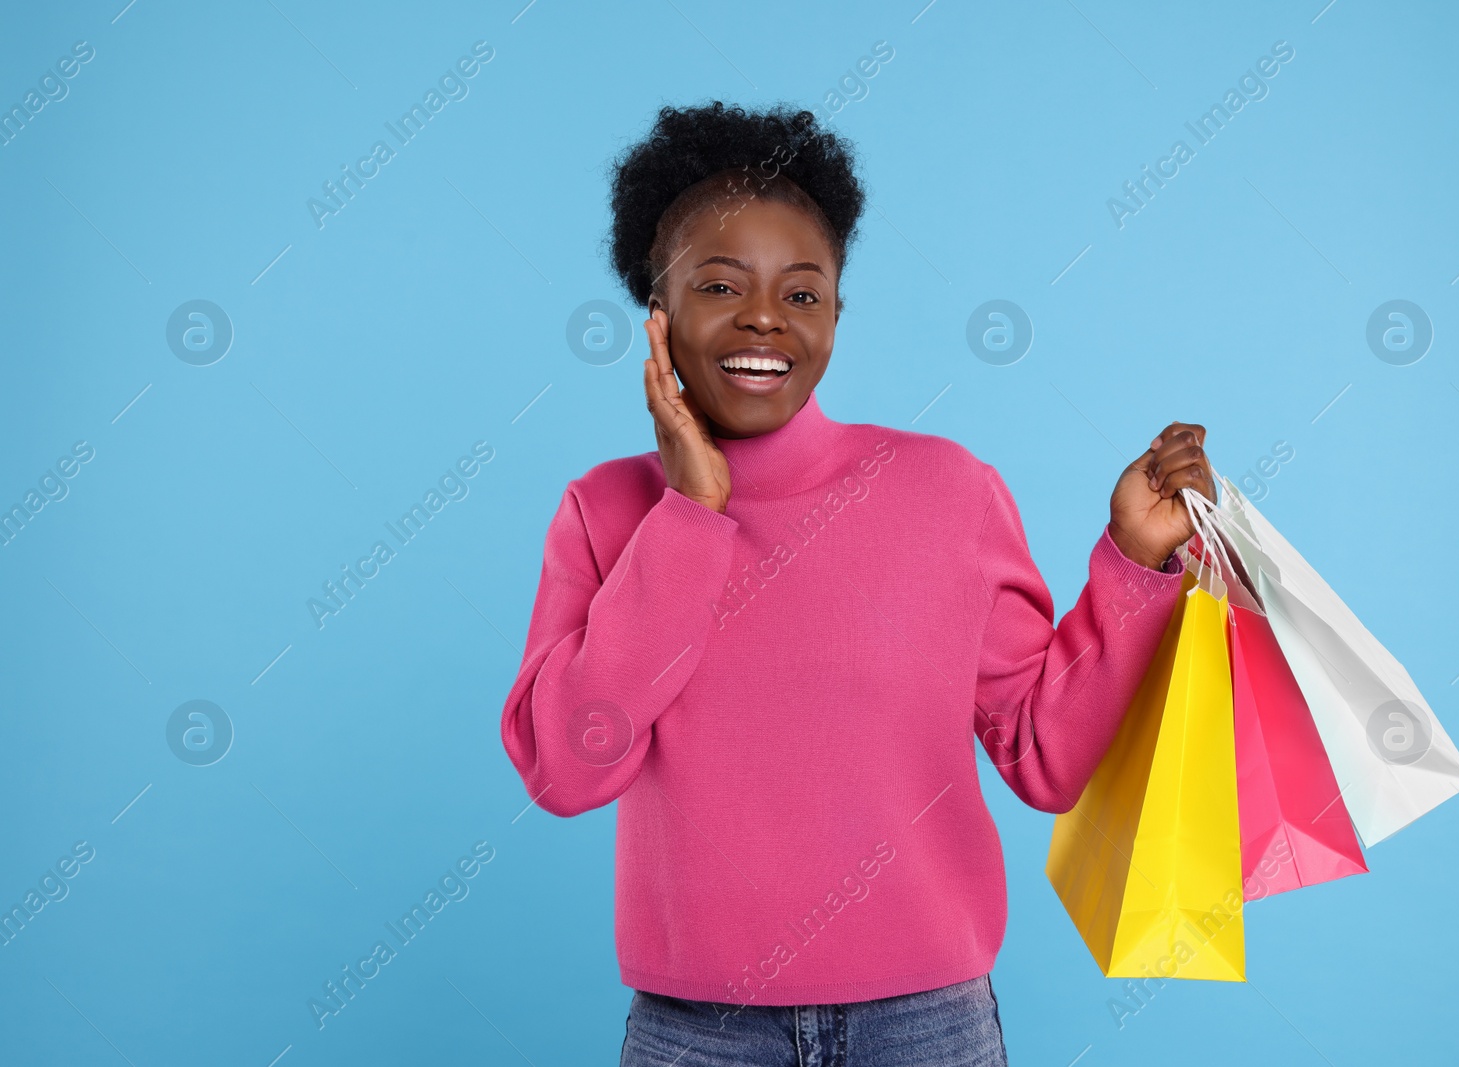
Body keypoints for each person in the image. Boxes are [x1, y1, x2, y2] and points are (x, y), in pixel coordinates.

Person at [499, 101, 1217, 1067]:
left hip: (926, 1026)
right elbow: (566, 768)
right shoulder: (608, 510)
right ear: (660, 318)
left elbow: (1045, 760)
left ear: (836, 314)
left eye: (802, 293)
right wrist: (690, 517)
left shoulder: (946, 492)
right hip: (697, 1032)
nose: (763, 317)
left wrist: (1135, 562)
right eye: (721, 285)